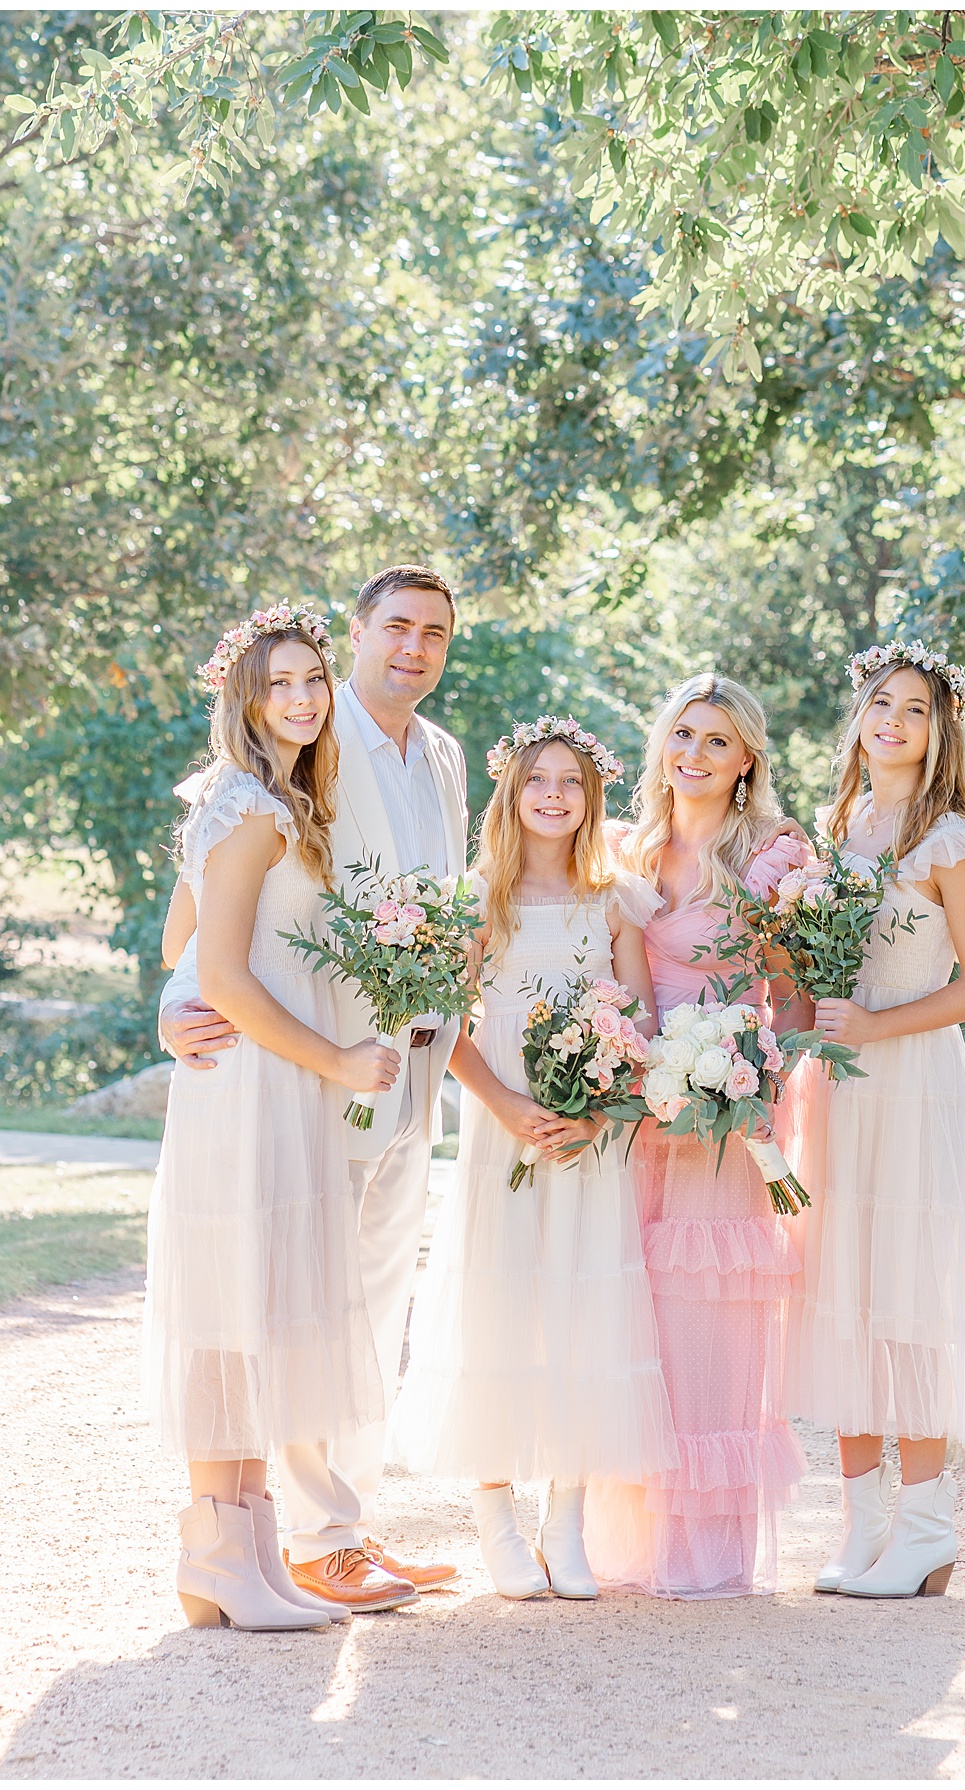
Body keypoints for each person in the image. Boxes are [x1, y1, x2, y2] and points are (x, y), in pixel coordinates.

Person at [158, 566, 466, 1612]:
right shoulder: (255, 799)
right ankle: (266, 1546)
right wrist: (177, 1006)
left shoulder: (373, 773)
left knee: (322, 1301)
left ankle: (281, 1542)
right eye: (280, 681)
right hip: (287, 1067)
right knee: (255, 1296)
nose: (299, 698)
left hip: (367, 1066)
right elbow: (204, 946)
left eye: (309, 683)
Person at [387, 718, 677, 1598]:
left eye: (572, 782)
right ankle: (495, 1518)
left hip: (589, 1142)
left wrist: (597, 1110)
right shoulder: (480, 898)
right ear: (511, 795)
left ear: (593, 800)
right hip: (503, 1132)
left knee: (583, 1314)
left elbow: (645, 1023)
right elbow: (443, 1023)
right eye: (536, 779)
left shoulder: (614, 899)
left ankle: (568, 1519)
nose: (554, 794)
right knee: (501, 1306)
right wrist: (507, 1103)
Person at [583, 673, 817, 1598]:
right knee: (635, 1310)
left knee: (710, 1316)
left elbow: (791, 991)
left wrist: (762, 1079)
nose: (695, 755)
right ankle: (633, 1540)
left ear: (747, 756)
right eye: (683, 734)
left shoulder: (772, 854)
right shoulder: (625, 848)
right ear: (662, 744)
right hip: (642, 1103)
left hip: (732, 1103)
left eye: (717, 740)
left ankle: (710, 1548)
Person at [787, 641, 965, 1599]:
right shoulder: (839, 833)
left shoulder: (949, 841)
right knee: (842, 1287)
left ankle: (925, 1528)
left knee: (910, 1299)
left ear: (937, 731)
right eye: (881, 704)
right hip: (843, 1087)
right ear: (859, 719)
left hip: (916, 1082)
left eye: (915, 709)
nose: (893, 721)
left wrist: (879, 1021)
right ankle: (861, 1528)